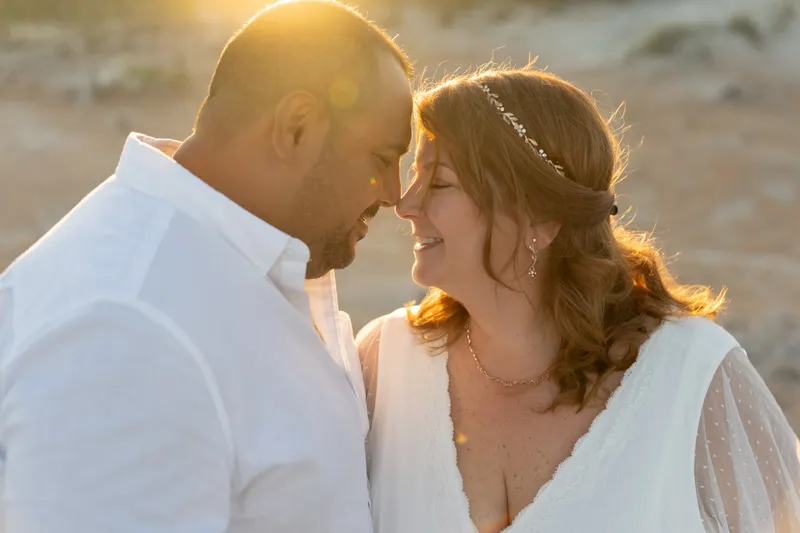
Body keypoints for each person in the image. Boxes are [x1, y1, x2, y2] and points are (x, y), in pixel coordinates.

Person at [0, 1, 412, 531]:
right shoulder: (129, 326)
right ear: (296, 128)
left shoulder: (243, 266)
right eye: (382, 159)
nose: (397, 194)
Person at [358, 67, 800, 533]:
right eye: (415, 176)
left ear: (541, 219)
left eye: (440, 182)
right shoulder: (385, 363)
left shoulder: (692, 375)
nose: (405, 204)